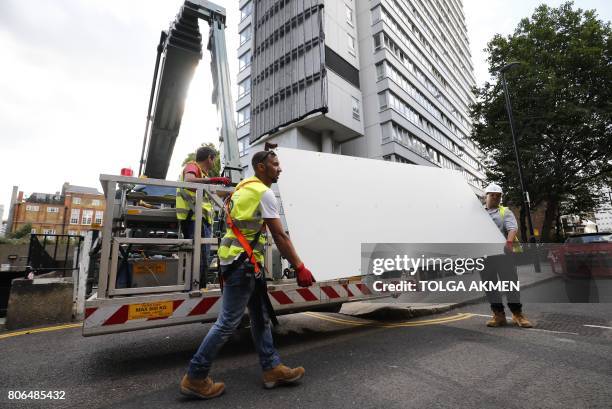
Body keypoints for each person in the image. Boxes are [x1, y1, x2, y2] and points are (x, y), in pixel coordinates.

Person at [180, 148, 316, 400]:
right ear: (261, 167)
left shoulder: (243, 188)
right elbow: (280, 235)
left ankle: (271, 367)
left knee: (260, 316)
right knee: (228, 322)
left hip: (242, 263)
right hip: (244, 264)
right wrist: (299, 266)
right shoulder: (263, 193)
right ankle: (196, 376)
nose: (280, 168)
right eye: (275, 164)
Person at [176, 146, 230, 286]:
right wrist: (212, 180)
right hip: (194, 218)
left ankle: (198, 287)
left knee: (202, 257)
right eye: (214, 160)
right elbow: (188, 180)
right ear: (209, 158)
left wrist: (230, 190)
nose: (213, 163)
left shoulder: (203, 177)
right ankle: (197, 288)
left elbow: (215, 194)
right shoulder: (192, 166)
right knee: (200, 258)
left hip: (200, 220)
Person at [482, 183, 533, 328]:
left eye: (498, 196)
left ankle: (518, 315)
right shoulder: (478, 212)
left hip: (503, 253)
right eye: (493, 195)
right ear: (486, 196)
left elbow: (512, 228)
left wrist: (509, 243)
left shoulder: (505, 211)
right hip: (484, 255)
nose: (496, 198)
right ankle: (498, 315)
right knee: (490, 285)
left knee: (510, 283)